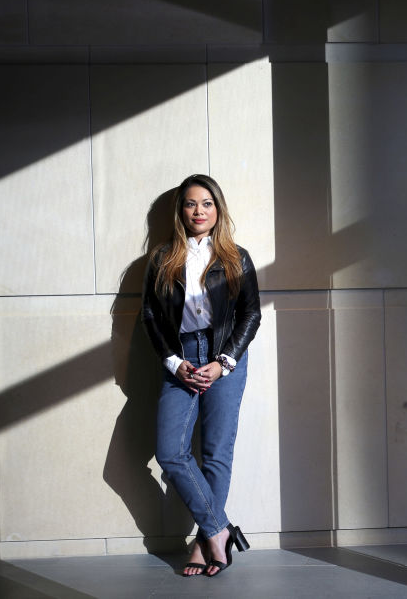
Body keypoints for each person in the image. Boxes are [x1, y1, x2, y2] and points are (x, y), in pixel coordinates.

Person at [141, 174, 261, 577]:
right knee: (170, 451)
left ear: (218, 209)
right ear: (181, 210)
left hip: (224, 359)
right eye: (191, 204)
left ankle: (201, 544)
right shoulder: (162, 258)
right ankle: (218, 531)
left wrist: (224, 361)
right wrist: (174, 362)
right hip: (181, 359)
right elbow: (151, 316)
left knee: (216, 453)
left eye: (206, 203)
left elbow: (251, 314)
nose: (198, 211)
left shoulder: (236, 257)